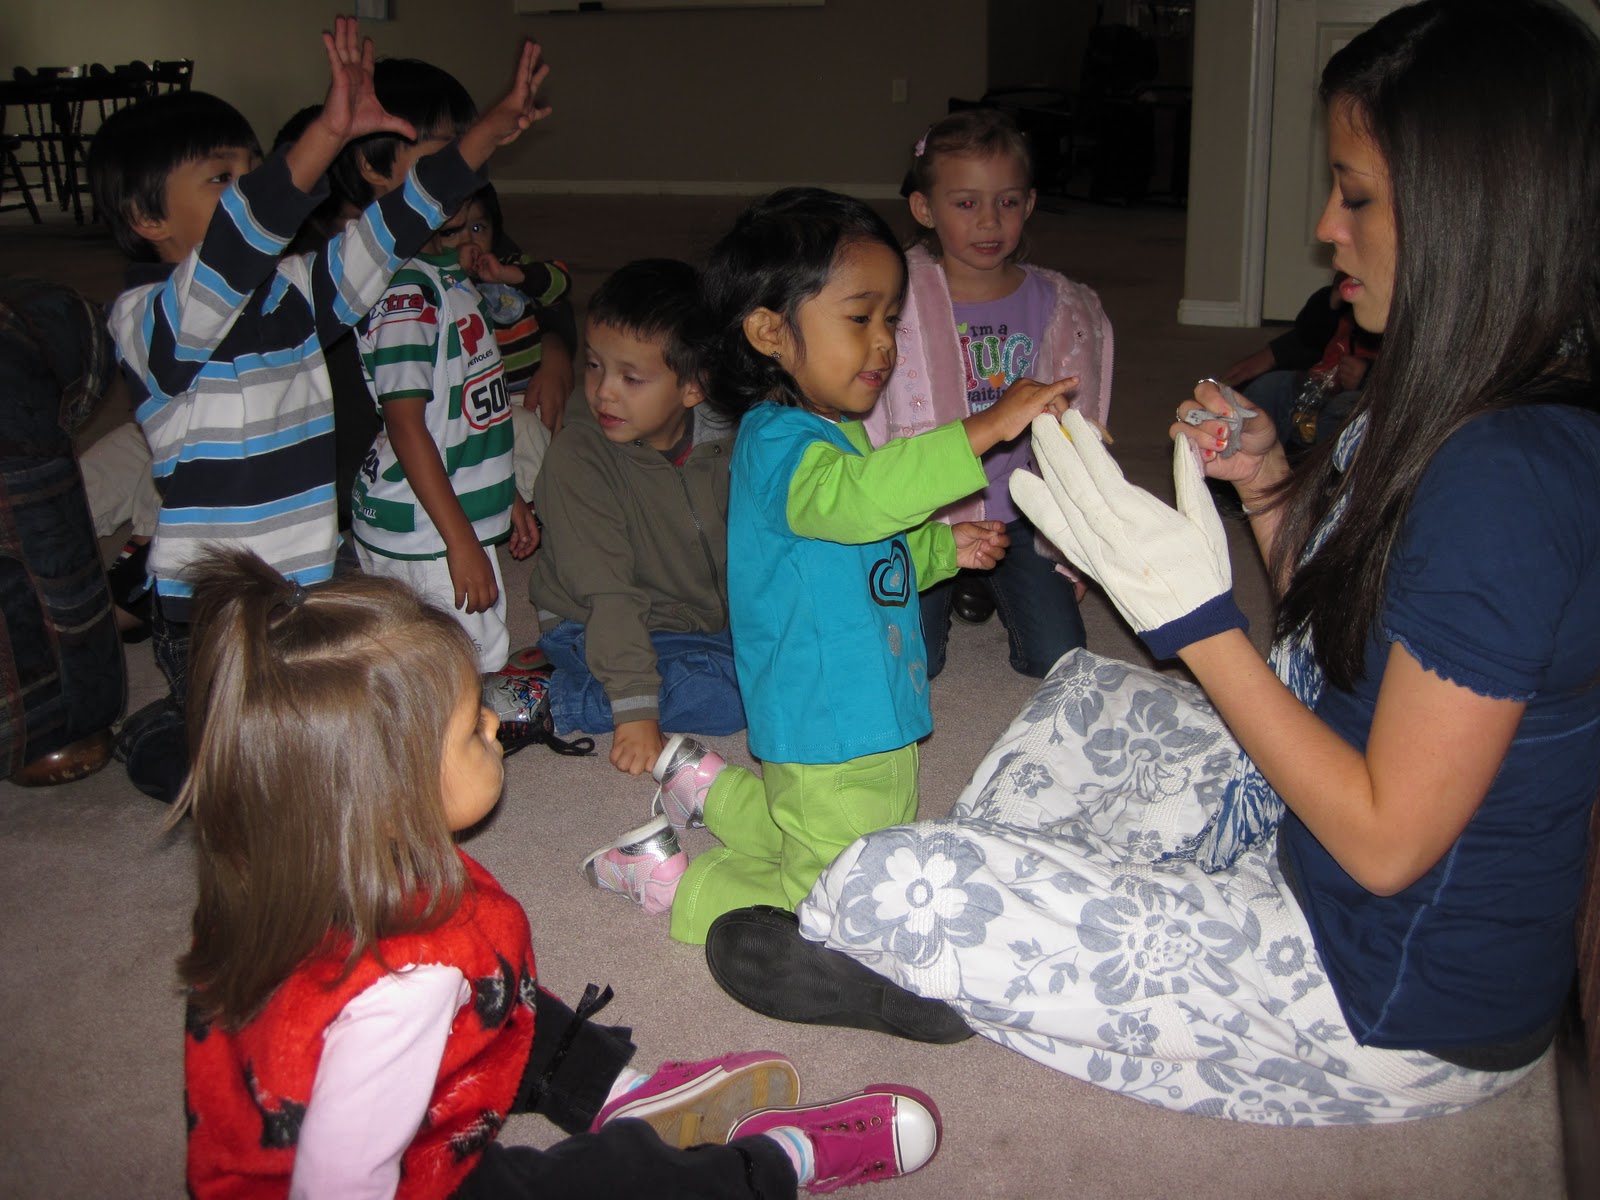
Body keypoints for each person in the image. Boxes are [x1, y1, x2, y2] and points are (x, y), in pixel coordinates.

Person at [709, 0, 1600, 1125]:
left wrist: (1194, 620)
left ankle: (925, 960)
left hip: (1379, 996)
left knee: (904, 877)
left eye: (1358, 195)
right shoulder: (1450, 389)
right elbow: (1358, 636)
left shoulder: (1511, 478)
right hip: (1312, 828)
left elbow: (1384, 845)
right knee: (1078, 704)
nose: (1327, 227)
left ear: (1480, 208)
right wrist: (1270, 493)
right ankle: (1076, 892)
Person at [175, 547, 943, 1198]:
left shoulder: (293, 864)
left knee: (496, 990)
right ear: (387, 796)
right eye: (469, 727)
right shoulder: (401, 989)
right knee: (611, 1183)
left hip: (317, 1108)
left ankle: (622, 1091)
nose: (493, 722)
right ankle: (771, 1162)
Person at [581, 188, 1077, 946]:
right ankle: (673, 881)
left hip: (860, 706)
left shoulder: (826, 433)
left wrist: (944, 549)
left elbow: (859, 543)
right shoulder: (783, 447)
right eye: (860, 318)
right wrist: (979, 429)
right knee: (834, 893)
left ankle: (704, 789)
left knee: (845, 824)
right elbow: (860, 504)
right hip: (828, 718)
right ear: (770, 331)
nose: (885, 343)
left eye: (890, 320)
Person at [88, 19, 547, 803]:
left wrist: (481, 145)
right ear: (147, 218)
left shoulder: (295, 295)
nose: (253, 190)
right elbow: (233, 248)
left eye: (252, 170)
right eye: (220, 178)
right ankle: (163, 731)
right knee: (246, 777)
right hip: (215, 610)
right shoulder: (149, 319)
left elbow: (389, 231)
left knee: (335, 733)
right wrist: (326, 133)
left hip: (304, 583)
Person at [864, 108, 1114, 680]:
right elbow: (870, 416)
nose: (989, 222)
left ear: (1028, 205)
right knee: (907, 664)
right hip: (928, 517)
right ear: (925, 209)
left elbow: (1085, 416)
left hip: (1022, 512)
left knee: (1059, 659)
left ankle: (989, 586)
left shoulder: (1062, 305)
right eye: (966, 203)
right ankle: (959, 588)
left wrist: (1077, 542)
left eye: (1006, 202)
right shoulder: (894, 300)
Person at [345, 61, 542, 675]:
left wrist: (502, 494)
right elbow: (407, 426)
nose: (463, 167)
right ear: (376, 170)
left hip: (443, 515)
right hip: (423, 532)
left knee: (445, 662)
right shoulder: (407, 295)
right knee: (457, 664)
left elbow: (466, 409)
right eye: (443, 154)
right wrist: (460, 540)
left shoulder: (449, 279)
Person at [516, 258, 745, 775]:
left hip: (695, 615)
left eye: (631, 377)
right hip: (591, 618)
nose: (604, 392)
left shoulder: (726, 438)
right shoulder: (580, 457)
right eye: (594, 365)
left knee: (793, 669)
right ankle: (552, 699)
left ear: (693, 387)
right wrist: (636, 710)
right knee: (727, 699)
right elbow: (608, 594)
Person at [430, 183, 576, 525]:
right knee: (516, 437)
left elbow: (560, 284)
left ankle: (540, 495)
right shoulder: (435, 282)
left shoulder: (509, 267)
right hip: (478, 402)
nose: (469, 243)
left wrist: (515, 276)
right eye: (452, 233)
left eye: (479, 228)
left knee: (548, 437)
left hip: (527, 392)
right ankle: (524, 505)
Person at [1217, 274, 1380, 461]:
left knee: (1342, 409)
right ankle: (1236, 460)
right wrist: (1332, 302)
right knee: (1270, 387)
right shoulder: (1342, 312)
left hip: (1363, 404)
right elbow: (1303, 338)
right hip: (1314, 394)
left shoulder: (1403, 325)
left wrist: (1369, 376)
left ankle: (1327, 477)